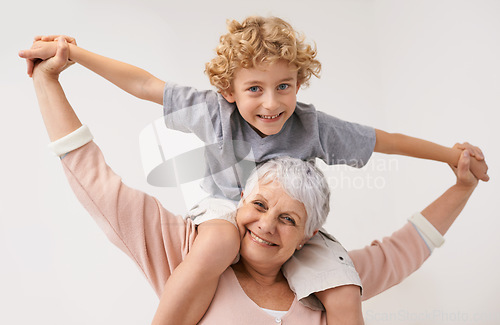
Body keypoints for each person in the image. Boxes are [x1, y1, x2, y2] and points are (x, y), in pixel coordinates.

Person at [20, 17, 489, 325]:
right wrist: (70, 56)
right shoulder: (210, 119)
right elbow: (143, 85)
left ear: (300, 84)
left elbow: (384, 142)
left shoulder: (312, 132)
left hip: (300, 211)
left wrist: (451, 159)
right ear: (228, 90)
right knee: (222, 239)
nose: (271, 104)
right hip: (220, 208)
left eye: (284, 87)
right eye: (255, 90)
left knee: (346, 287)